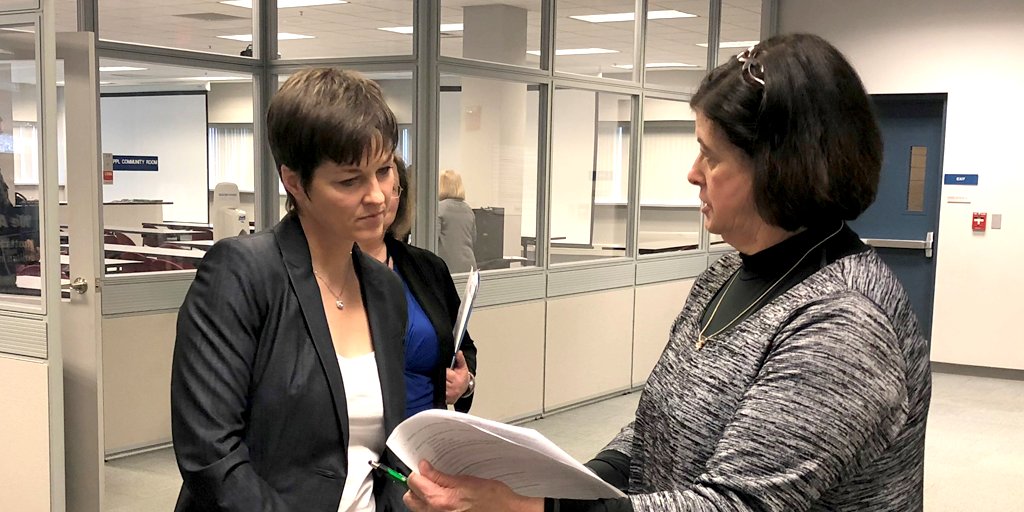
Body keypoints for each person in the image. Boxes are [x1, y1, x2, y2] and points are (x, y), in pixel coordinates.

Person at [402, 33, 932, 512]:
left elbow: (732, 504)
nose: (693, 173)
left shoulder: (843, 326)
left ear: (780, 169)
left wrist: (532, 510)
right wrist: (572, 485)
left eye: (711, 156)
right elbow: (654, 431)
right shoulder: (725, 275)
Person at [171, 67, 410, 512]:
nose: (377, 196)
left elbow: (389, 451)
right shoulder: (242, 274)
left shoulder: (384, 289)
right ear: (295, 182)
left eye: (383, 171)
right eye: (350, 180)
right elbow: (211, 454)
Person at [357, 157, 478, 418]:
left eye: (391, 187)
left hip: (427, 433)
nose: (378, 197)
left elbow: (463, 345)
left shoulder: (428, 268)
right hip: (353, 438)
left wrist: (465, 382)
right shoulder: (318, 273)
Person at [436, 169, 476, 273]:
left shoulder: (438, 209)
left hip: (447, 267)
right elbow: (473, 238)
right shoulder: (468, 210)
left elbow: (432, 240)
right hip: (469, 266)